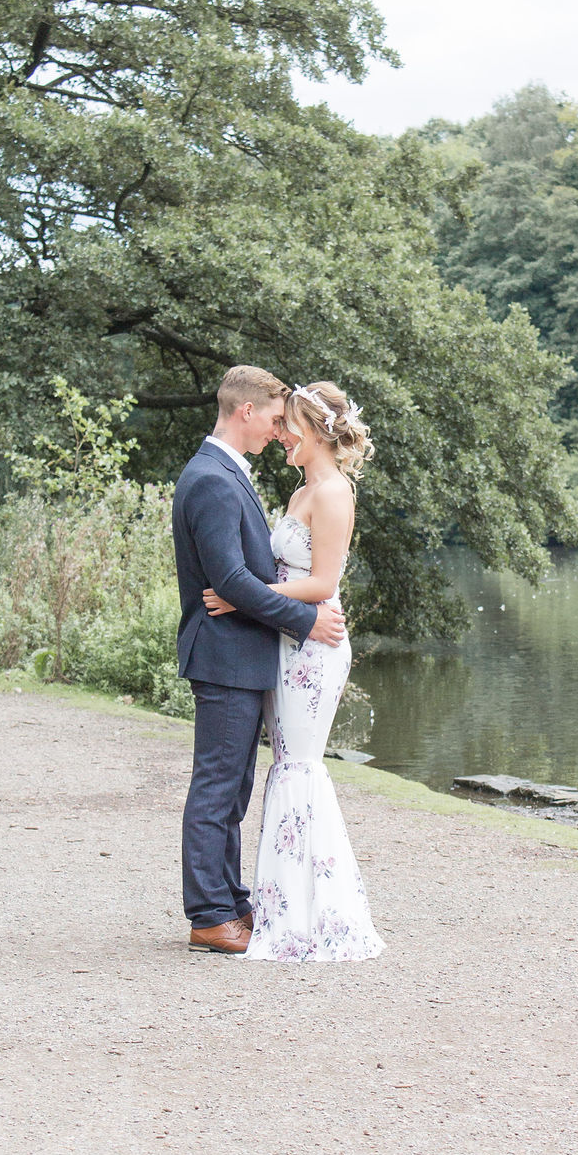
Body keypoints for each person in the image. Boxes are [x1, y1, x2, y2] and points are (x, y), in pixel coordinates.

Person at [203, 381, 385, 963]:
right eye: (278, 426)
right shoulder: (303, 491)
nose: (280, 435)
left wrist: (240, 597)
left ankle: (318, 916)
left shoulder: (333, 493)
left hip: (314, 646)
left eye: (289, 427)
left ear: (314, 430)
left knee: (300, 767)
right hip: (287, 640)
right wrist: (258, 601)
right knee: (287, 766)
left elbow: (324, 584)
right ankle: (285, 904)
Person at [173, 366, 346, 955]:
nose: (279, 431)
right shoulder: (214, 479)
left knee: (234, 786)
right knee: (218, 788)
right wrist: (305, 620)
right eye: (275, 419)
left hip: (242, 653)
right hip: (224, 654)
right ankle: (210, 916)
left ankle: (232, 902)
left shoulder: (225, 473)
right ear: (245, 411)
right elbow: (228, 579)